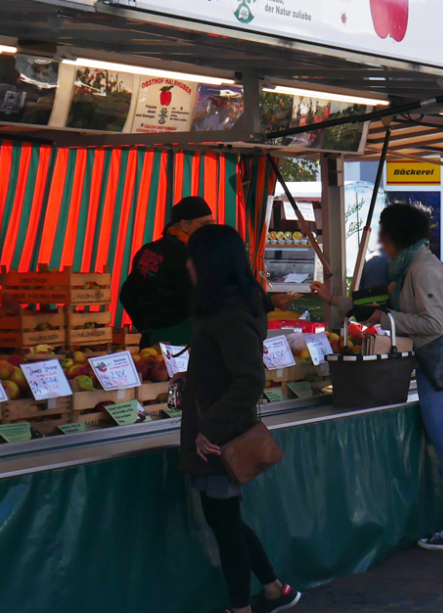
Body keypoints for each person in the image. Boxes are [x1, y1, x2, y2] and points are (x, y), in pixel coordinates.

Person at [312, 203, 443, 552]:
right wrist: (334, 300)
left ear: (398, 236)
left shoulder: (420, 270)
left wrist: (388, 319)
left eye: (384, 235)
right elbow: (380, 298)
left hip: (438, 365)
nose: (381, 242)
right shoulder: (416, 265)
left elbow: (431, 323)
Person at [174, 224, 301, 613]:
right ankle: (274, 589)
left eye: (193, 258)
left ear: (209, 263)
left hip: (221, 436)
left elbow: (249, 379)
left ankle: (241, 607)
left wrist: (209, 429)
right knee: (224, 519)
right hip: (218, 430)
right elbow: (228, 368)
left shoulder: (229, 312)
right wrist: (193, 375)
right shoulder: (228, 305)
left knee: (225, 524)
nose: (188, 266)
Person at [120, 196, 216, 345]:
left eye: (212, 223)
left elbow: (127, 294)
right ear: (184, 225)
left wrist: (145, 329)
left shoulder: (149, 249)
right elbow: (196, 301)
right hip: (181, 341)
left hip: (152, 339)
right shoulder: (188, 257)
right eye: (205, 224)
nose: (210, 230)